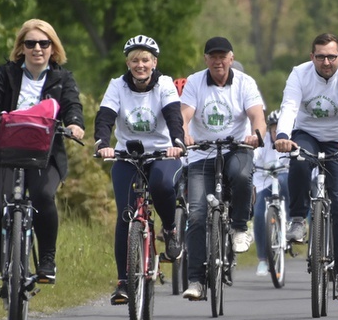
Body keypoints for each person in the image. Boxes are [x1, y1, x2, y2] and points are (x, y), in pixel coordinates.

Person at [0, 19, 85, 300]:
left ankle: (46, 261)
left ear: (53, 48)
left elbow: (72, 105)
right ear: (21, 48)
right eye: (30, 43)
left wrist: (75, 123)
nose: (37, 49)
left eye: (44, 43)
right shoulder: (5, 74)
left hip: (45, 154)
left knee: (43, 195)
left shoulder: (62, 78)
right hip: (4, 152)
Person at [274, 33, 338, 299]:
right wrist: (283, 136)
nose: (326, 62)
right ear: (311, 57)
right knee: (299, 160)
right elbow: (290, 106)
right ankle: (297, 219)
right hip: (308, 133)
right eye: (320, 56)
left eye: (331, 56)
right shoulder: (299, 74)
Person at [95, 35, 184, 304]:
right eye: (135, 60)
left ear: (154, 62)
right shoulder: (117, 85)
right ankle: (123, 281)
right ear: (128, 63)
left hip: (162, 153)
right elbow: (105, 117)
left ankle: (169, 229)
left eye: (145, 60)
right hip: (127, 156)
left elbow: (172, 114)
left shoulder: (165, 84)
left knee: (161, 185)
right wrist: (102, 143)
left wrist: (177, 141)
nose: (140, 65)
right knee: (125, 215)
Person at [180, 36, 266, 300]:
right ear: (206, 59)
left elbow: (256, 116)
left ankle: (240, 227)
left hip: (236, 147)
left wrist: (256, 134)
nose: (218, 61)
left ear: (231, 58)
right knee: (195, 214)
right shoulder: (195, 81)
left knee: (241, 175)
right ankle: (195, 280)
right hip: (202, 152)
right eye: (213, 56)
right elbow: (184, 114)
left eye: (223, 56)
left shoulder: (245, 82)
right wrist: (183, 134)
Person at [252, 110, 290, 276]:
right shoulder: (264, 141)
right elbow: (255, 155)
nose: (276, 133)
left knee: (284, 180)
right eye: (274, 129)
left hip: (284, 179)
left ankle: (289, 220)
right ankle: (262, 259)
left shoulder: (290, 140)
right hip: (265, 182)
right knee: (259, 215)